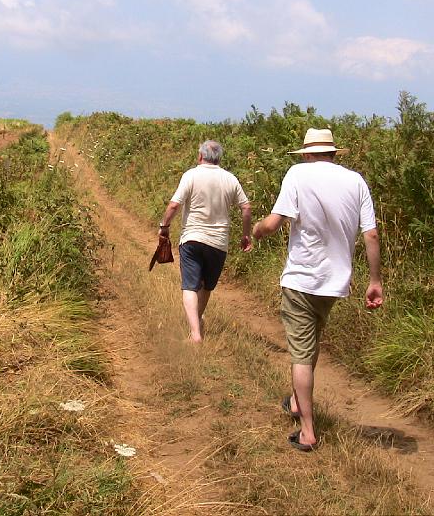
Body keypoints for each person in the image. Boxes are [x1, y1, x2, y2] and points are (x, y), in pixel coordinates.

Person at [252, 128, 383, 451]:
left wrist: (255, 231)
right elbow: (371, 235)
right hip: (335, 281)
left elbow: (273, 223)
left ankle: (307, 430)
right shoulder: (356, 182)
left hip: (302, 277)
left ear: (308, 154)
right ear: (334, 153)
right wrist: (375, 281)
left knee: (300, 352)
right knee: (311, 343)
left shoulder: (298, 174)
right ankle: (297, 401)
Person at [159, 140, 252, 343]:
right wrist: (246, 235)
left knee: (190, 286)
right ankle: (197, 325)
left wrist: (164, 226)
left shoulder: (191, 175)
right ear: (219, 158)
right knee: (206, 286)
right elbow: (246, 207)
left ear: (200, 156)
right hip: (218, 243)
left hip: (192, 238)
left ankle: (195, 334)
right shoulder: (230, 179)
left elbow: (175, 205)